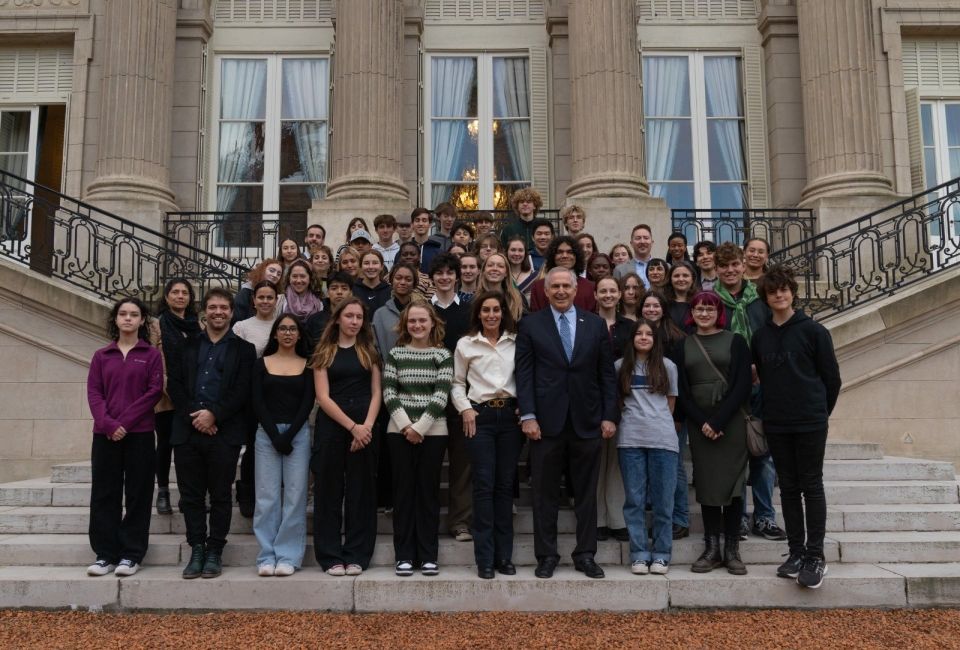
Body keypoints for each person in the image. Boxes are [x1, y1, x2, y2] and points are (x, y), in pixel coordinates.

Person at [516, 267, 619, 580]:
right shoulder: (531, 324)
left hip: (587, 421)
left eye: (566, 286)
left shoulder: (596, 324)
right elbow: (524, 374)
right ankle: (546, 555)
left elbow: (606, 375)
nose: (561, 291)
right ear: (545, 292)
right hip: (545, 424)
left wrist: (608, 415)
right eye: (555, 286)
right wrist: (528, 415)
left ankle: (586, 554)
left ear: (577, 291)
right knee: (544, 494)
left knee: (586, 494)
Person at [752, 265, 841, 589]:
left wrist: (819, 413)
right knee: (787, 489)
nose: (779, 294)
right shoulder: (760, 336)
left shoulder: (814, 331)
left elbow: (832, 379)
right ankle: (796, 553)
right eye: (773, 290)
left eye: (784, 289)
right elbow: (763, 375)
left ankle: (816, 556)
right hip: (777, 423)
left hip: (810, 421)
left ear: (792, 292)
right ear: (766, 296)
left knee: (811, 486)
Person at [166, 288, 256, 579]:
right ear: (205, 311)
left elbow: (243, 390)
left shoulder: (244, 350)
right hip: (188, 431)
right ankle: (197, 549)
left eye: (224, 308)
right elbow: (176, 386)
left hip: (224, 433)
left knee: (219, 495)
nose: (219, 312)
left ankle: (215, 548)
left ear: (232, 312)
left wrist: (214, 414)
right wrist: (197, 417)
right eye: (213, 307)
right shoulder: (187, 345)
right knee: (191, 496)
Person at [712, 241, 785, 544]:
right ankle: (738, 517)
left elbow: (774, 335)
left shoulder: (760, 299)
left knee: (763, 455)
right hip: (727, 387)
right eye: (723, 266)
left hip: (761, 385)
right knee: (734, 457)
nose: (729, 271)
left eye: (734, 265)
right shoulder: (710, 301)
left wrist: (761, 367)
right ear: (716, 269)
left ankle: (765, 517)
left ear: (743, 265)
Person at [86, 297, 164, 577]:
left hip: (140, 435)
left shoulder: (151, 354)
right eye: (123, 314)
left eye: (134, 314)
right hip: (105, 436)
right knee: (104, 493)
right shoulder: (101, 355)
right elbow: (94, 393)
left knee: (138, 494)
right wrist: (108, 424)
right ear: (116, 319)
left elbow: (154, 392)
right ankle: (105, 553)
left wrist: (125, 423)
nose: (128, 318)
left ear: (143, 320)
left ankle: (131, 554)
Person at [677, 291, 751, 576]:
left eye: (709, 308)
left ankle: (732, 549)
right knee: (707, 486)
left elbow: (742, 385)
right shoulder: (684, 345)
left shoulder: (736, 341)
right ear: (692, 313)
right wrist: (702, 421)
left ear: (718, 311)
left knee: (733, 488)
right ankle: (711, 549)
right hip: (700, 426)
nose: (704, 313)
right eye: (698, 309)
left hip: (732, 423)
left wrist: (719, 421)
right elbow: (682, 390)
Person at [451, 291, 523, 579]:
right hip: (479, 417)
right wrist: (465, 409)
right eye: (486, 310)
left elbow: (526, 377)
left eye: (496, 310)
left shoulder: (516, 342)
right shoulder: (466, 344)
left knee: (505, 487)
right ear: (478, 314)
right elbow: (456, 383)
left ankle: (504, 556)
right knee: (483, 486)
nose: (491, 315)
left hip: (509, 417)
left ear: (503, 313)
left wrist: (525, 407)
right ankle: (484, 560)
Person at [383, 301, 454, 576]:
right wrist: (405, 426)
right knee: (403, 494)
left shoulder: (443, 355)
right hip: (398, 431)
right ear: (405, 324)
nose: (417, 325)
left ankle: (427, 556)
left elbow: (441, 394)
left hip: (434, 432)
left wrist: (420, 428)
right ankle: (404, 555)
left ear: (432, 323)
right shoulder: (395, 354)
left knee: (427, 493)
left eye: (422, 320)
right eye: (412, 321)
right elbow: (389, 392)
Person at [312, 299, 382, 576]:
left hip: (365, 426)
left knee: (361, 492)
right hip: (333, 427)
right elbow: (322, 397)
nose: (354, 321)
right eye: (349, 316)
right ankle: (330, 555)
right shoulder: (324, 352)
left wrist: (366, 427)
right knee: (328, 491)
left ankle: (357, 554)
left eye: (359, 317)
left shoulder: (370, 352)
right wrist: (352, 427)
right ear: (338, 319)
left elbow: (377, 392)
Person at [251, 315, 314, 577]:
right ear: (275, 334)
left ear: (299, 334)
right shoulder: (260, 364)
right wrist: (274, 434)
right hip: (266, 434)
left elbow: (308, 403)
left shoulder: (307, 365)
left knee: (295, 495)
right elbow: (256, 400)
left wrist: (289, 436)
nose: (288, 333)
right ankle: (266, 555)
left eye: (293, 329)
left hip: (297, 435)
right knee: (267, 497)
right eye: (283, 329)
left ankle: (288, 555)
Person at [616, 318, 679, 575]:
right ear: (631, 339)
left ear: (655, 339)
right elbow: (618, 402)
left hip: (663, 439)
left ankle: (662, 554)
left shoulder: (667, 367)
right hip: (630, 439)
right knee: (634, 500)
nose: (643, 338)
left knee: (664, 502)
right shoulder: (620, 367)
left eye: (649, 334)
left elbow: (671, 403)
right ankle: (639, 553)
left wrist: (656, 422)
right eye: (639, 334)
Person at [429, 253, 474, 543]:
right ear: (432, 278)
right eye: (439, 273)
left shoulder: (469, 311)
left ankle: (460, 522)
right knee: (429, 464)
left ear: (457, 276)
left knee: (463, 464)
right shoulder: (423, 311)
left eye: (449, 273)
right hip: (428, 396)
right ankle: (428, 518)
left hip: (461, 395)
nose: (445, 277)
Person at [152, 279, 202, 516]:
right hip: (165, 397)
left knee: (188, 448)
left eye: (185, 293)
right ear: (167, 296)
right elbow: (153, 361)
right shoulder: (156, 325)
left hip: (193, 396)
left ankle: (188, 494)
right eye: (175, 292)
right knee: (165, 444)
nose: (180, 296)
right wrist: (167, 387)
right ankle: (163, 491)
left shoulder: (197, 325)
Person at [593, 277, 633, 543]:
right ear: (595, 295)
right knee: (595, 462)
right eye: (603, 291)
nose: (608, 295)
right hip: (592, 400)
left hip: (625, 400)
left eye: (612, 291)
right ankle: (597, 519)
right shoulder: (585, 323)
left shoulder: (630, 327)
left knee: (617, 463)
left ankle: (617, 519)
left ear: (620, 295)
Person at [528, 236, 597, 313]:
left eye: (570, 252)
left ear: (577, 256)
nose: (564, 256)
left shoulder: (589, 287)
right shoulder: (538, 287)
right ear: (552, 256)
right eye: (559, 252)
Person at [372, 262, 418, 355]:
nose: (403, 282)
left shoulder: (421, 313)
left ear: (414, 284)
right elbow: (375, 348)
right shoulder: (380, 314)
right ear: (391, 281)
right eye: (398, 278)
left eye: (408, 279)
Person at [305, 271, 354, 351]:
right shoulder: (314, 321)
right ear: (327, 292)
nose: (339, 292)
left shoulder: (357, 320)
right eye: (334, 288)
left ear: (351, 293)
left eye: (344, 288)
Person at [233, 281, 280, 356]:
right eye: (261, 297)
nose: (265, 301)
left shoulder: (282, 326)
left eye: (270, 298)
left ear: (276, 301)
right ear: (254, 300)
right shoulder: (241, 327)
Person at [479, 252, 525, 322]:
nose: (495, 269)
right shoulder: (474, 299)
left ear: (506, 273)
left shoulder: (518, 298)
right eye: (490, 265)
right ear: (484, 271)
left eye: (500, 266)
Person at [234, 258, 283, 323]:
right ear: (262, 271)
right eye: (271, 270)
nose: (275, 275)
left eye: (279, 274)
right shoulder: (245, 293)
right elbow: (237, 319)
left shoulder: (279, 297)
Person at [613, 224, 655, 289]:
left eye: (646, 238)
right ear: (631, 243)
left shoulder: (666, 267)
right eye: (638, 238)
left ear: (652, 242)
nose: (642, 241)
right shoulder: (620, 270)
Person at [664, 260, 700, 331]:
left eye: (685, 275)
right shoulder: (663, 303)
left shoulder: (700, 302)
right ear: (670, 279)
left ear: (692, 279)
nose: (681, 279)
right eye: (676, 276)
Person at [354, 250, 391, 314]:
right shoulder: (353, 290)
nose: (371, 267)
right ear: (360, 266)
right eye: (366, 263)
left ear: (382, 266)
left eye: (375, 263)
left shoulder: (390, 291)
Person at [505, 236, 536, 303]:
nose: (516, 254)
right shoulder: (502, 276)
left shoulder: (534, 277)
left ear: (525, 253)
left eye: (520, 250)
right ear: (507, 252)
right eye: (513, 250)